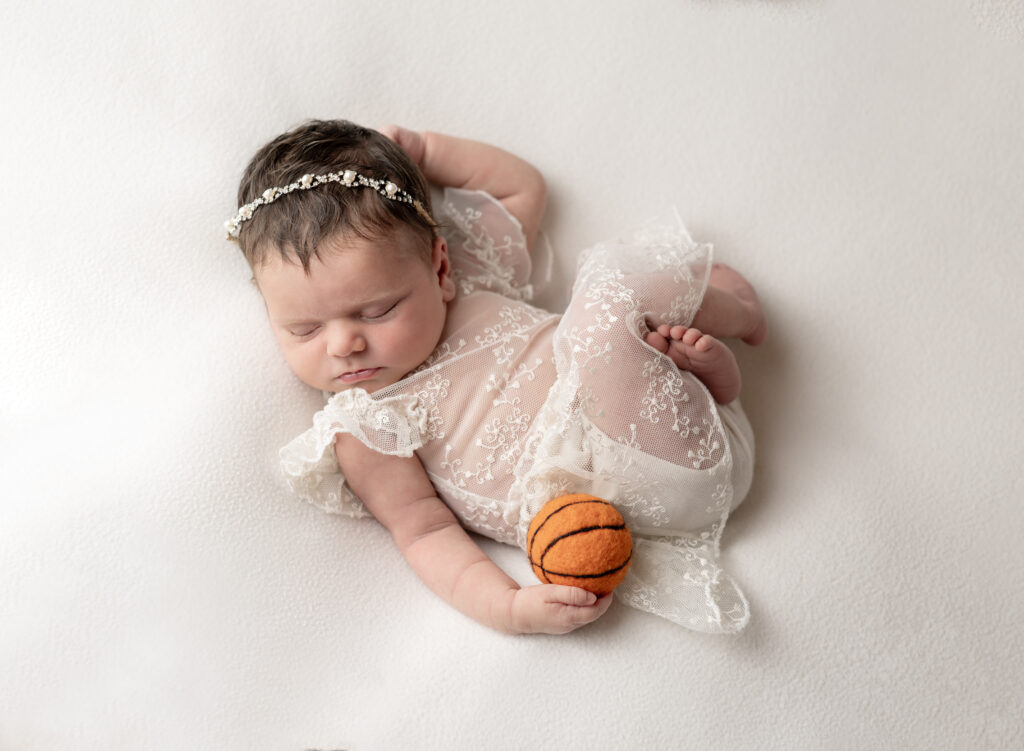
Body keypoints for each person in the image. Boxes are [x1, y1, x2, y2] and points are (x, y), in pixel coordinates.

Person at [225, 119, 766, 635]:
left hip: (683, 418)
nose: (344, 344)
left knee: (613, 291)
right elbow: (425, 532)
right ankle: (703, 345)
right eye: (304, 329)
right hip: (629, 495)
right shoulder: (364, 426)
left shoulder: (471, 275)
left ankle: (728, 330)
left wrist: (429, 151)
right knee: (606, 303)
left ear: (439, 270)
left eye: (376, 311)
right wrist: (507, 605)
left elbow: (521, 188)